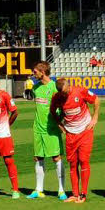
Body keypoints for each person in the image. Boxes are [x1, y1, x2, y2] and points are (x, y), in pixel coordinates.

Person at [51, 77, 99, 203]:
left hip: (85, 130)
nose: (66, 94)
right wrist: (60, 124)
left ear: (69, 86)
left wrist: (95, 118)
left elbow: (96, 100)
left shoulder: (80, 91)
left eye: (67, 91)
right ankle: (74, 193)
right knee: (73, 164)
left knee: (83, 161)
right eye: (63, 93)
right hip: (70, 134)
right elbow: (52, 111)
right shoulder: (57, 97)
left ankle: (83, 194)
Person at [28, 62, 66, 200]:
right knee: (38, 157)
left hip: (51, 128)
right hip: (38, 128)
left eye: (35, 72)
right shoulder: (36, 87)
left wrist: (59, 122)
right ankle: (39, 189)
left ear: (42, 72)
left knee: (56, 157)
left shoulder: (54, 87)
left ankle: (61, 190)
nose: (34, 74)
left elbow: (62, 108)